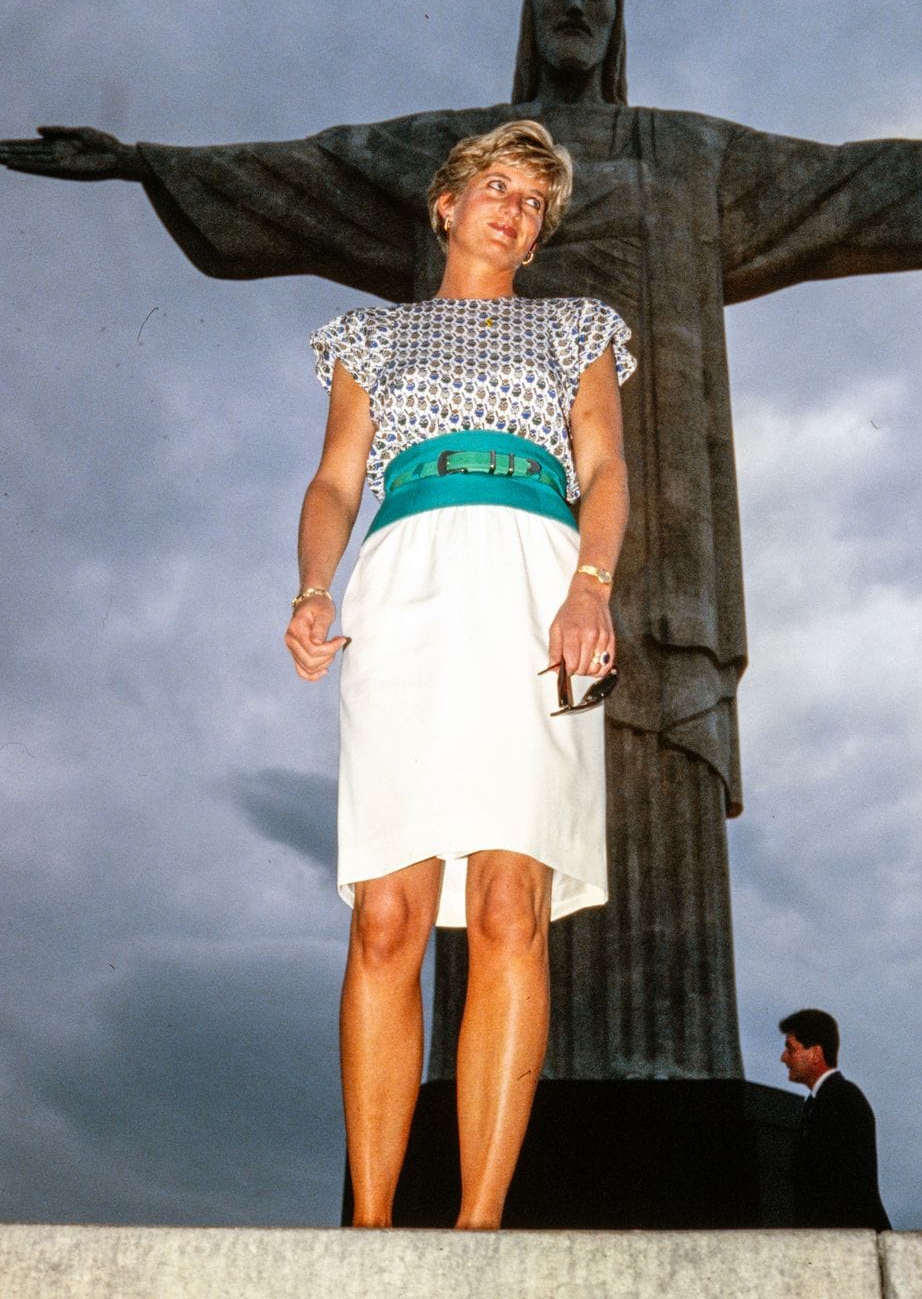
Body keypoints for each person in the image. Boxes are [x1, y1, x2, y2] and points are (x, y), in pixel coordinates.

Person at [5, 0, 922, 1087]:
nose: (575, 9)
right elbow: (311, 174)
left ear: (620, 22)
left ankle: (668, 1081)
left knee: (631, 760)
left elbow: (838, 182)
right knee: (472, 827)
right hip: (468, 555)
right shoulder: (452, 151)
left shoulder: (688, 153)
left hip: (649, 517)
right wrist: (142, 165)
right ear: (526, 19)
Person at [284, 117, 634, 1228]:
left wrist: (592, 585)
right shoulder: (368, 337)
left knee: (507, 909)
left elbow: (608, 466)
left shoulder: (579, 326)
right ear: (445, 205)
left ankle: (478, 1236)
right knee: (386, 914)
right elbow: (338, 481)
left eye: (535, 203)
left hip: (538, 581)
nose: (515, 210)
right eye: (496, 186)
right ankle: (374, 1234)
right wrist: (311, 587)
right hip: (408, 582)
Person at [779, 1008, 891, 1229]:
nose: (784, 1058)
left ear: (815, 1053)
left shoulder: (842, 1100)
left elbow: (844, 1190)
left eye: (790, 1049)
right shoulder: (821, 1102)